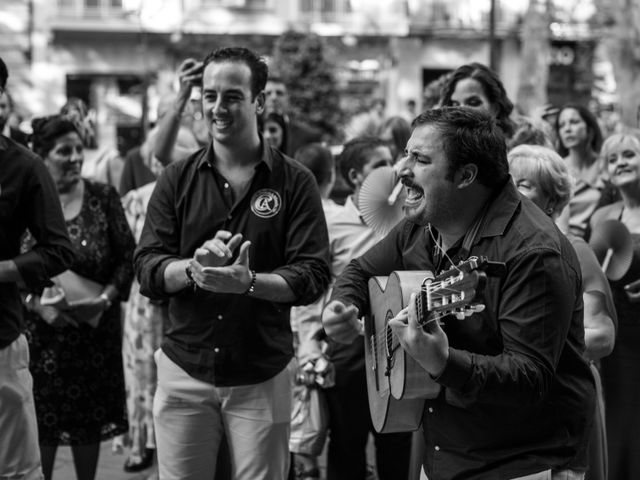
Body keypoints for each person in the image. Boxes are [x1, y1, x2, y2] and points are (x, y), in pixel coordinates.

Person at [322, 107, 595, 480]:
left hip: (522, 464)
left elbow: (529, 378)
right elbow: (360, 270)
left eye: (419, 159)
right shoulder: (422, 225)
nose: (401, 170)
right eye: (406, 154)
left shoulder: (534, 251)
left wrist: (443, 362)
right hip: (445, 454)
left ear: (466, 175)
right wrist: (342, 306)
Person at [134, 46, 331, 480]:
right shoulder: (175, 179)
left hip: (261, 373)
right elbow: (148, 266)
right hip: (185, 369)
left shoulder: (295, 182)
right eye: (209, 96)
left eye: (232, 96)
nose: (217, 108)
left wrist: (249, 283)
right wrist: (192, 269)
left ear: (259, 102)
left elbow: (312, 274)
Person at [22, 115, 134, 480]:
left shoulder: (103, 197)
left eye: (77, 150)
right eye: (63, 151)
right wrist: (36, 305)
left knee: (89, 426)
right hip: (39, 339)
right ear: (40, 156)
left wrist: (104, 299)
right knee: (39, 427)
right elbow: (8, 268)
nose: (74, 158)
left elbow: (128, 258)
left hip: (94, 337)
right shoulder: (24, 202)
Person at [508, 144, 617, 480]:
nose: (510, 192)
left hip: (557, 410)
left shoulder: (574, 249)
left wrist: (537, 351)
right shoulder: (491, 252)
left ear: (553, 201)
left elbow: (601, 335)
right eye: (506, 182)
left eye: (524, 184)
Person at [0, 56, 75, 480]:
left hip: (2, 343)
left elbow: (57, 251)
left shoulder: (25, 166)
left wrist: (4, 270)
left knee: (17, 473)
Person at [590, 131, 640, 480]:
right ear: (606, 171)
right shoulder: (603, 215)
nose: (620, 162)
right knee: (619, 411)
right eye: (613, 159)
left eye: (629, 154)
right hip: (616, 330)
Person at [554, 103, 618, 240]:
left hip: (602, 243)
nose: (567, 129)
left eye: (574, 122)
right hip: (563, 244)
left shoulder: (607, 165)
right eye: (562, 125)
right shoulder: (556, 168)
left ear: (590, 129)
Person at [440, 62, 516, 138]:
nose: (461, 111)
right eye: (455, 104)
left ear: (495, 108)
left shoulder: (519, 149)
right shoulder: (445, 143)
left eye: (473, 103)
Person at [264, 75, 323, 156]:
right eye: (268, 93)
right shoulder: (248, 133)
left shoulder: (309, 136)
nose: (274, 97)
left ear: (288, 98)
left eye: (279, 93)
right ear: (260, 98)